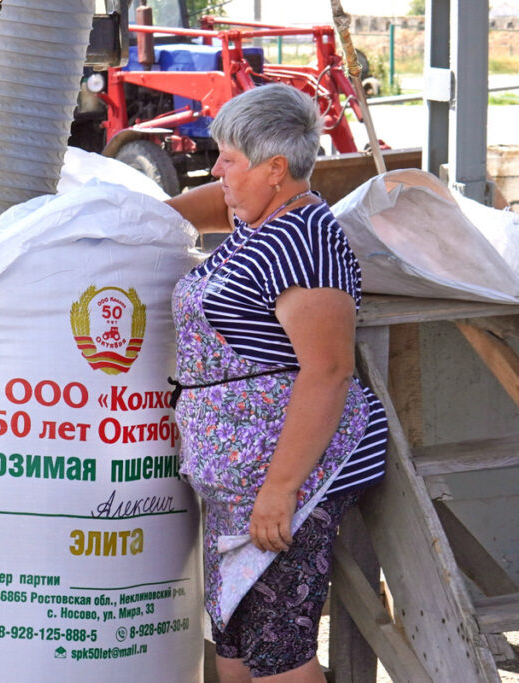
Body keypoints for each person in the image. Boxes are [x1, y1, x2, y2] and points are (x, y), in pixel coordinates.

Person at [165, 84, 388, 682]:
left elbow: (329, 369)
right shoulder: (263, 218)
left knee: (278, 653)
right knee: (236, 645)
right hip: (240, 480)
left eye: (228, 160)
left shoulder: (303, 240)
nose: (217, 171)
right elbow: (213, 201)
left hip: (285, 478)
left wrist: (281, 489)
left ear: (275, 169)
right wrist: (137, 217)